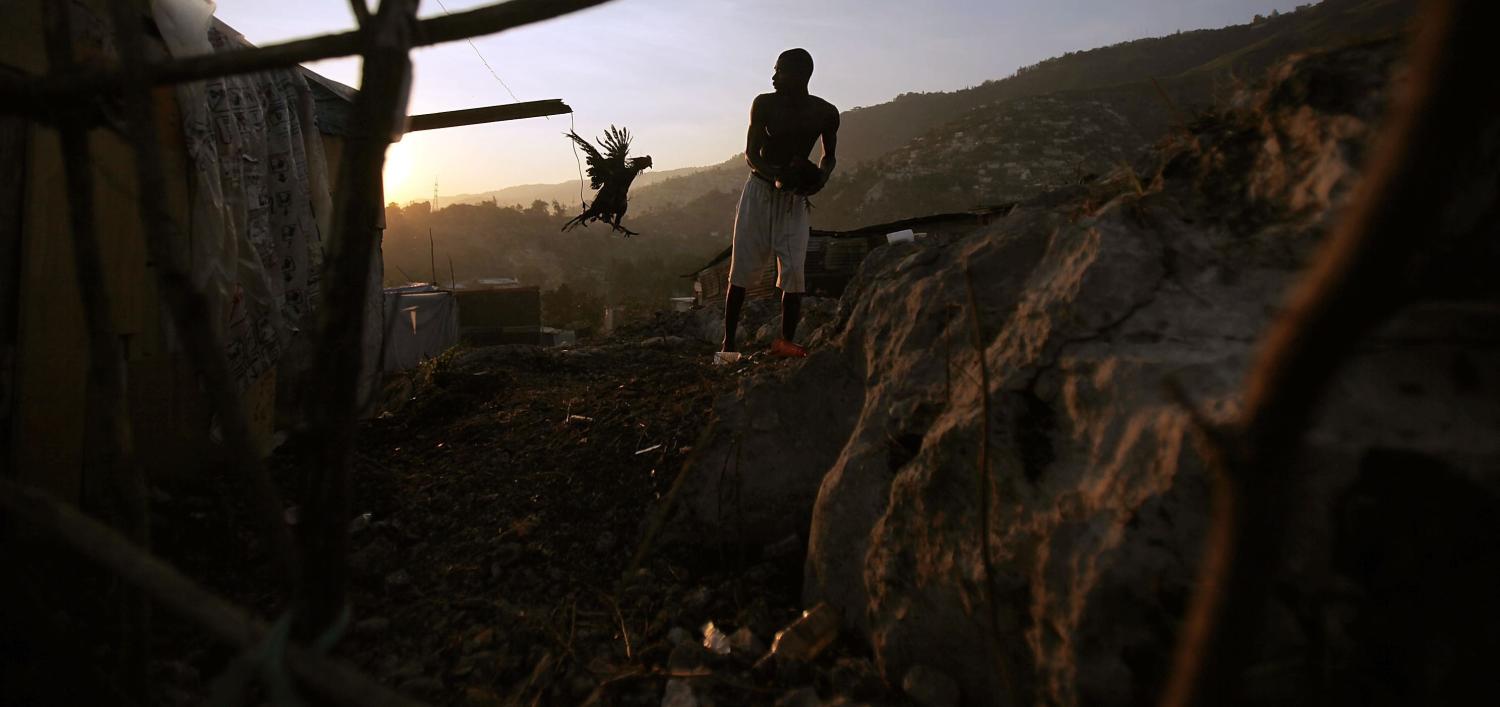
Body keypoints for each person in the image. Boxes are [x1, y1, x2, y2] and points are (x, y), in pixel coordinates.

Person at [720, 47, 839, 359]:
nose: (773, 77)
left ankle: (786, 343)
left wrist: (820, 179)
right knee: (742, 266)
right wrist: (775, 175)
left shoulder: (825, 113)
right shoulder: (764, 104)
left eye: (779, 71)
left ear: (800, 75)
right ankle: (728, 346)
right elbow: (751, 154)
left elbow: (829, 156)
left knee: (793, 269)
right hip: (759, 190)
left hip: (794, 197)